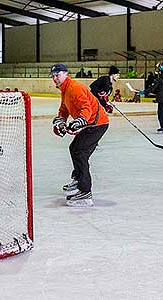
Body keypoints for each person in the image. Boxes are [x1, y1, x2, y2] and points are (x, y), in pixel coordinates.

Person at [50, 63, 109, 207]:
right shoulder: (65, 90)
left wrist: (80, 120)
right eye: (53, 76)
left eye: (57, 75)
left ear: (65, 74)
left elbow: (85, 107)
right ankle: (78, 178)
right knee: (74, 148)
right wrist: (61, 121)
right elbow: (64, 109)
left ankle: (85, 191)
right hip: (91, 124)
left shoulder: (74, 87)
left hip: (97, 124)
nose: (55, 78)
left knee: (80, 152)